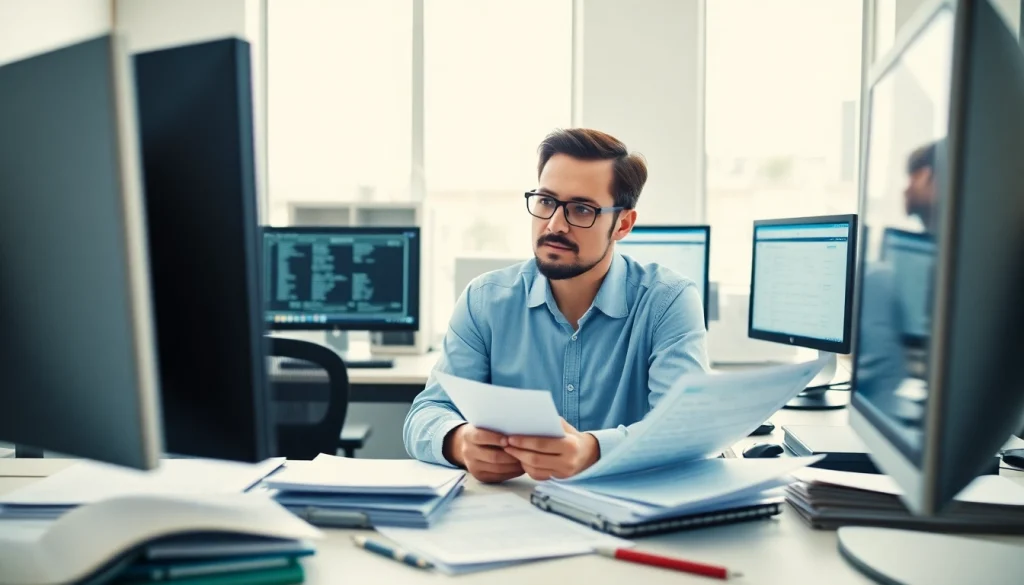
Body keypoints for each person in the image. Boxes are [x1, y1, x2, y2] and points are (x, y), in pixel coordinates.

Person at [403, 128, 709, 483]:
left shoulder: (668, 301)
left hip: (627, 510)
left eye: (581, 209)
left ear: (622, 224)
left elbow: (687, 431)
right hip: (515, 512)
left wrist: (591, 450)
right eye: (546, 201)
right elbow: (426, 413)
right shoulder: (484, 300)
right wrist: (459, 442)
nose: (554, 225)